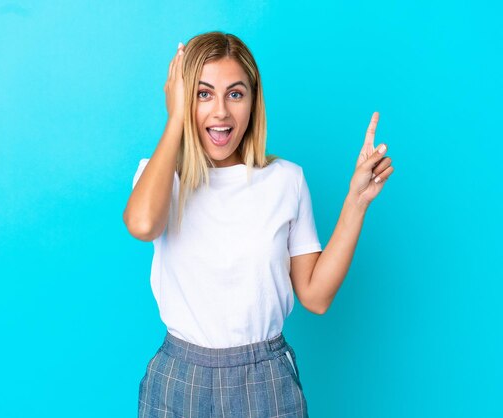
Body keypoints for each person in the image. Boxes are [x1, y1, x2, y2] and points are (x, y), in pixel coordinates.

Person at [123, 31, 394, 418]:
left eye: (235, 94)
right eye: (203, 94)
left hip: (263, 378)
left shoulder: (286, 180)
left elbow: (315, 297)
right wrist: (175, 120)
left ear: (253, 101)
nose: (220, 112)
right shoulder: (163, 175)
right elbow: (143, 224)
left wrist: (356, 201)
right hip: (179, 376)